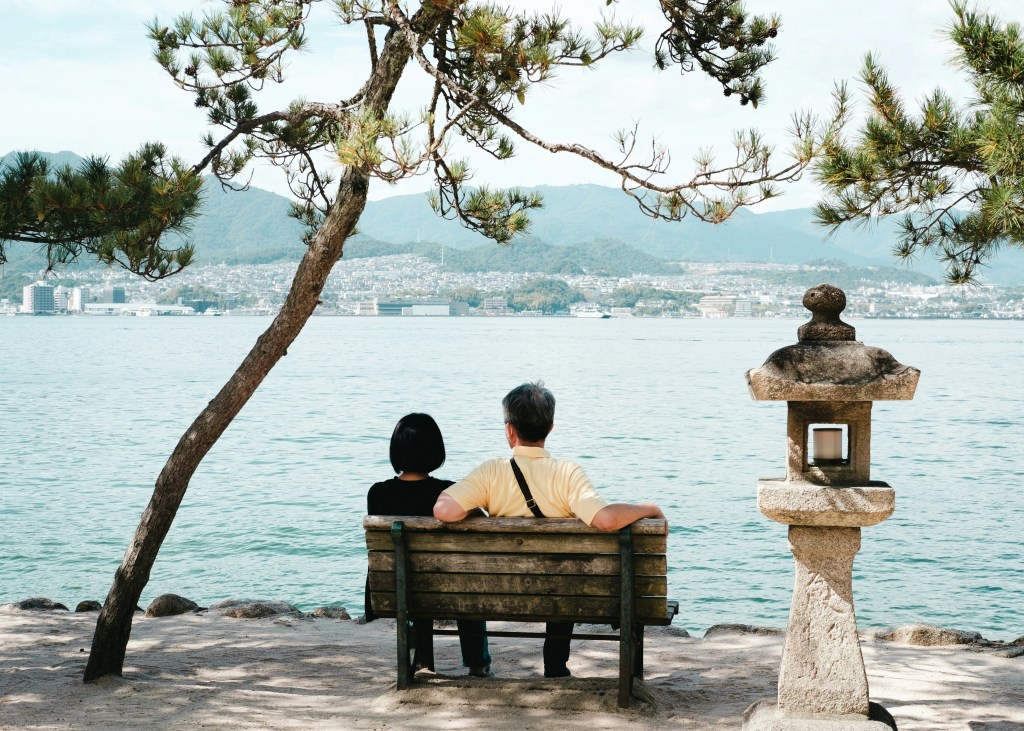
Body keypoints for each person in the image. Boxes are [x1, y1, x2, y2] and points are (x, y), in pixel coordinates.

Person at [433, 382, 665, 678]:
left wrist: (476, 512)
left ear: (509, 430)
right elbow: (606, 519)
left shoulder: (490, 472)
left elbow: (443, 510)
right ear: (551, 426)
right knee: (564, 572)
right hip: (558, 593)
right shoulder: (567, 474)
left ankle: (479, 666)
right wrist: (648, 508)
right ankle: (555, 665)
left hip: (499, 591)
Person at [366, 413, 492, 677]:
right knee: (466, 586)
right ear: (436, 451)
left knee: (415, 579)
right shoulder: (448, 492)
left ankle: (421, 662)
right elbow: (482, 521)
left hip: (397, 590)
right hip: (448, 589)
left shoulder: (377, 493)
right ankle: (477, 663)